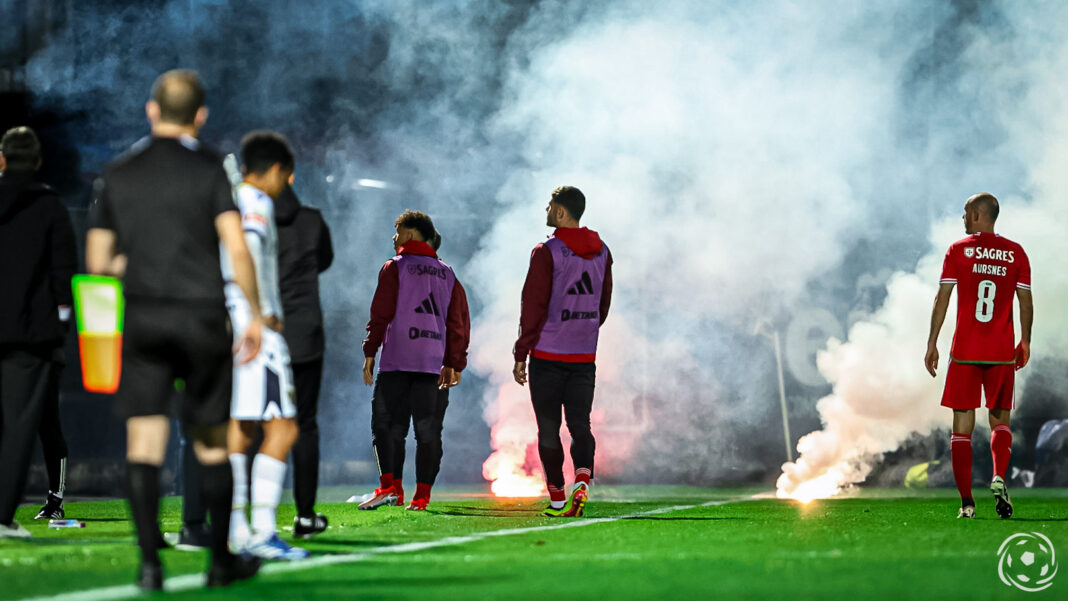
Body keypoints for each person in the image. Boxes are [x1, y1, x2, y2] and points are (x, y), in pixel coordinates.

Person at [85, 69, 264, 588]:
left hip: (142, 317)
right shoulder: (210, 169)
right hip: (203, 316)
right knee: (211, 442)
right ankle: (221, 562)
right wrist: (251, 313)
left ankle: (149, 562)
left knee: (144, 439)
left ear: (151, 109)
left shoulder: (118, 173)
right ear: (200, 116)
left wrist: (133, 267)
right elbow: (236, 245)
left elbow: (97, 262)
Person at [224, 131, 308, 560]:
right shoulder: (257, 203)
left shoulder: (227, 198)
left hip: (229, 320)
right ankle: (261, 530)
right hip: (254, 325)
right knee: (283, 426)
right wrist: (259, 314)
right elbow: (249, 250)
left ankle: (237, 528)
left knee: (241, 425)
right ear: (275, 171)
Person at [925, 192, 1032, 519]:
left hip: (966, 351)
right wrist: (1025, 341)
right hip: (1000, 350)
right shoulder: (1016, 253)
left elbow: (942, 299)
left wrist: (932, 342)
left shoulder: (958, 251)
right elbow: (1025, 302)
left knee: (962, 426)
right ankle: (999, 475)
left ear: (975, 214)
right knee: (1000, 420)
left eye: (965, 212)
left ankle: (967, 503)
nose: (962, 218)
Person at [358, 211, 469, 511]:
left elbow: (380, 313)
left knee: (386, 427)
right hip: (433, 366)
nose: (394, 237)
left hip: (396, 362)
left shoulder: (394, 267)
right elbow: (458, 322)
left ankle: (390, 489)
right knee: (428, 432)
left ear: (409, 233)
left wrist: (371, 350)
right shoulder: (448, 273)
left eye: (397, 231)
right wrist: (455, 362)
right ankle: (421, 497)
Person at [512, 186, 612, 518]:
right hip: (584, 357)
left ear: (560, 213)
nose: (546, 210)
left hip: (548, 356)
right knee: (580, 425)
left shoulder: (546, 251)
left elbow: (533, 305)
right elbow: (603, 305)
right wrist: (583, 332)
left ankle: (556, 498)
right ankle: (582, 482)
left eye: (550, 206)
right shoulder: (603, 252)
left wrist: (521, 352)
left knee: (549, 428)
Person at [0, 126, 77, 537]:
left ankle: (53, 499)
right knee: (25, 425)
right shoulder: (50, 207)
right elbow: (64, 275)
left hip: (24, 334)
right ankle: (6, 515)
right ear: (38, 161)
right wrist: (61, 326)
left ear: (1, 159)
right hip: (31, 337)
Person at [274, 184, 333, 537]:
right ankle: (305, 514)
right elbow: (324, 260)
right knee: (304, 425)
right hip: (304, 335)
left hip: (259, 331)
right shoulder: (311, 221)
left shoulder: (242, 218)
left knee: (248, 425)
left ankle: (241, 518)